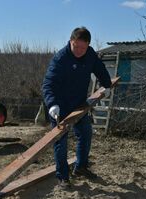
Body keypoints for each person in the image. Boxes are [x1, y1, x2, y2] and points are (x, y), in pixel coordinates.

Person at [42, 27, 112, 188]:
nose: (79, 51)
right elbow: (48, 84)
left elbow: (99, 68)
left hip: (80, 104)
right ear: (70, 41)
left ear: (88, 45)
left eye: (83, 47)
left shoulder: (90, 54)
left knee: (86, 134)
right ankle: (63, 177)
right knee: (61, 141)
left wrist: (106, 85)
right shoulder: (60, 59)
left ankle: (80, 167)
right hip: (60, 107)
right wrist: (52, 104)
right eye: (76, 46)